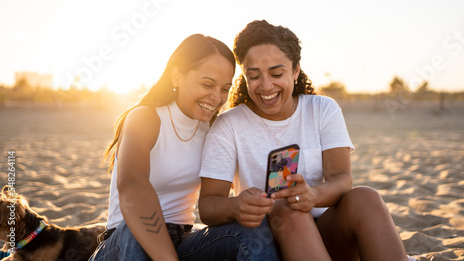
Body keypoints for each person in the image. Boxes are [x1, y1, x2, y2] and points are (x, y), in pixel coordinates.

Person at [196, 20, 411, 260]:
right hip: (270, 240)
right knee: (289, 209)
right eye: (254, 75)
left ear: (295, 71)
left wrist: (313, 195)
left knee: (366, 197)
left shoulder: (322, 109)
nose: (266, 86)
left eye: (277, 73)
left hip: (328, 232)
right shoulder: (229, 125)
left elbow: (342, 179)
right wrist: (235, 206)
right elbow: (207, 206)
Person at [89, 34, 239, 260]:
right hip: (124, 242)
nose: (217, 97)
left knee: (246, 233)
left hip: (183, 240)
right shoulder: (146, 118)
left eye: (225, 89)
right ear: (177, 76)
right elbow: (132, 187)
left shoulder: (214, 130)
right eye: (207, 84)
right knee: (134, 233)